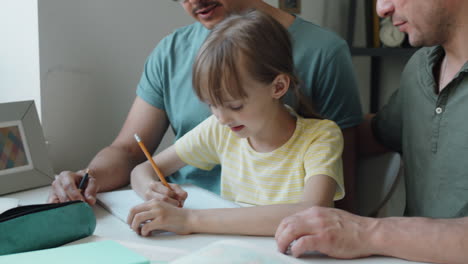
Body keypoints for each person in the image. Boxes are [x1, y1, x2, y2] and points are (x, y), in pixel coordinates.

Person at [48, 0, 362, 212]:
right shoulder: (171, 50)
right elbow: (131, 151)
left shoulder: (324, 52)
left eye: (235, 104)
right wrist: (87, 178)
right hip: (181, 222)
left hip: (266, 228)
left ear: (280, 86)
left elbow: (340, 188)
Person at [275, 0, 468, 262]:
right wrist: (275, 125)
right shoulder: (421, 67)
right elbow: (374, 134)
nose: (381, 9)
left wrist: (368, 232)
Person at [127, 10, 344, 236]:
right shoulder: (220, 130)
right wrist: (153, 190)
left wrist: (190, 219)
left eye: (235, 106)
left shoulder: (321, 137)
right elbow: (142, 170)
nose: (221, 118)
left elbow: (310, 212)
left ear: (278, 87)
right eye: (212, 105)